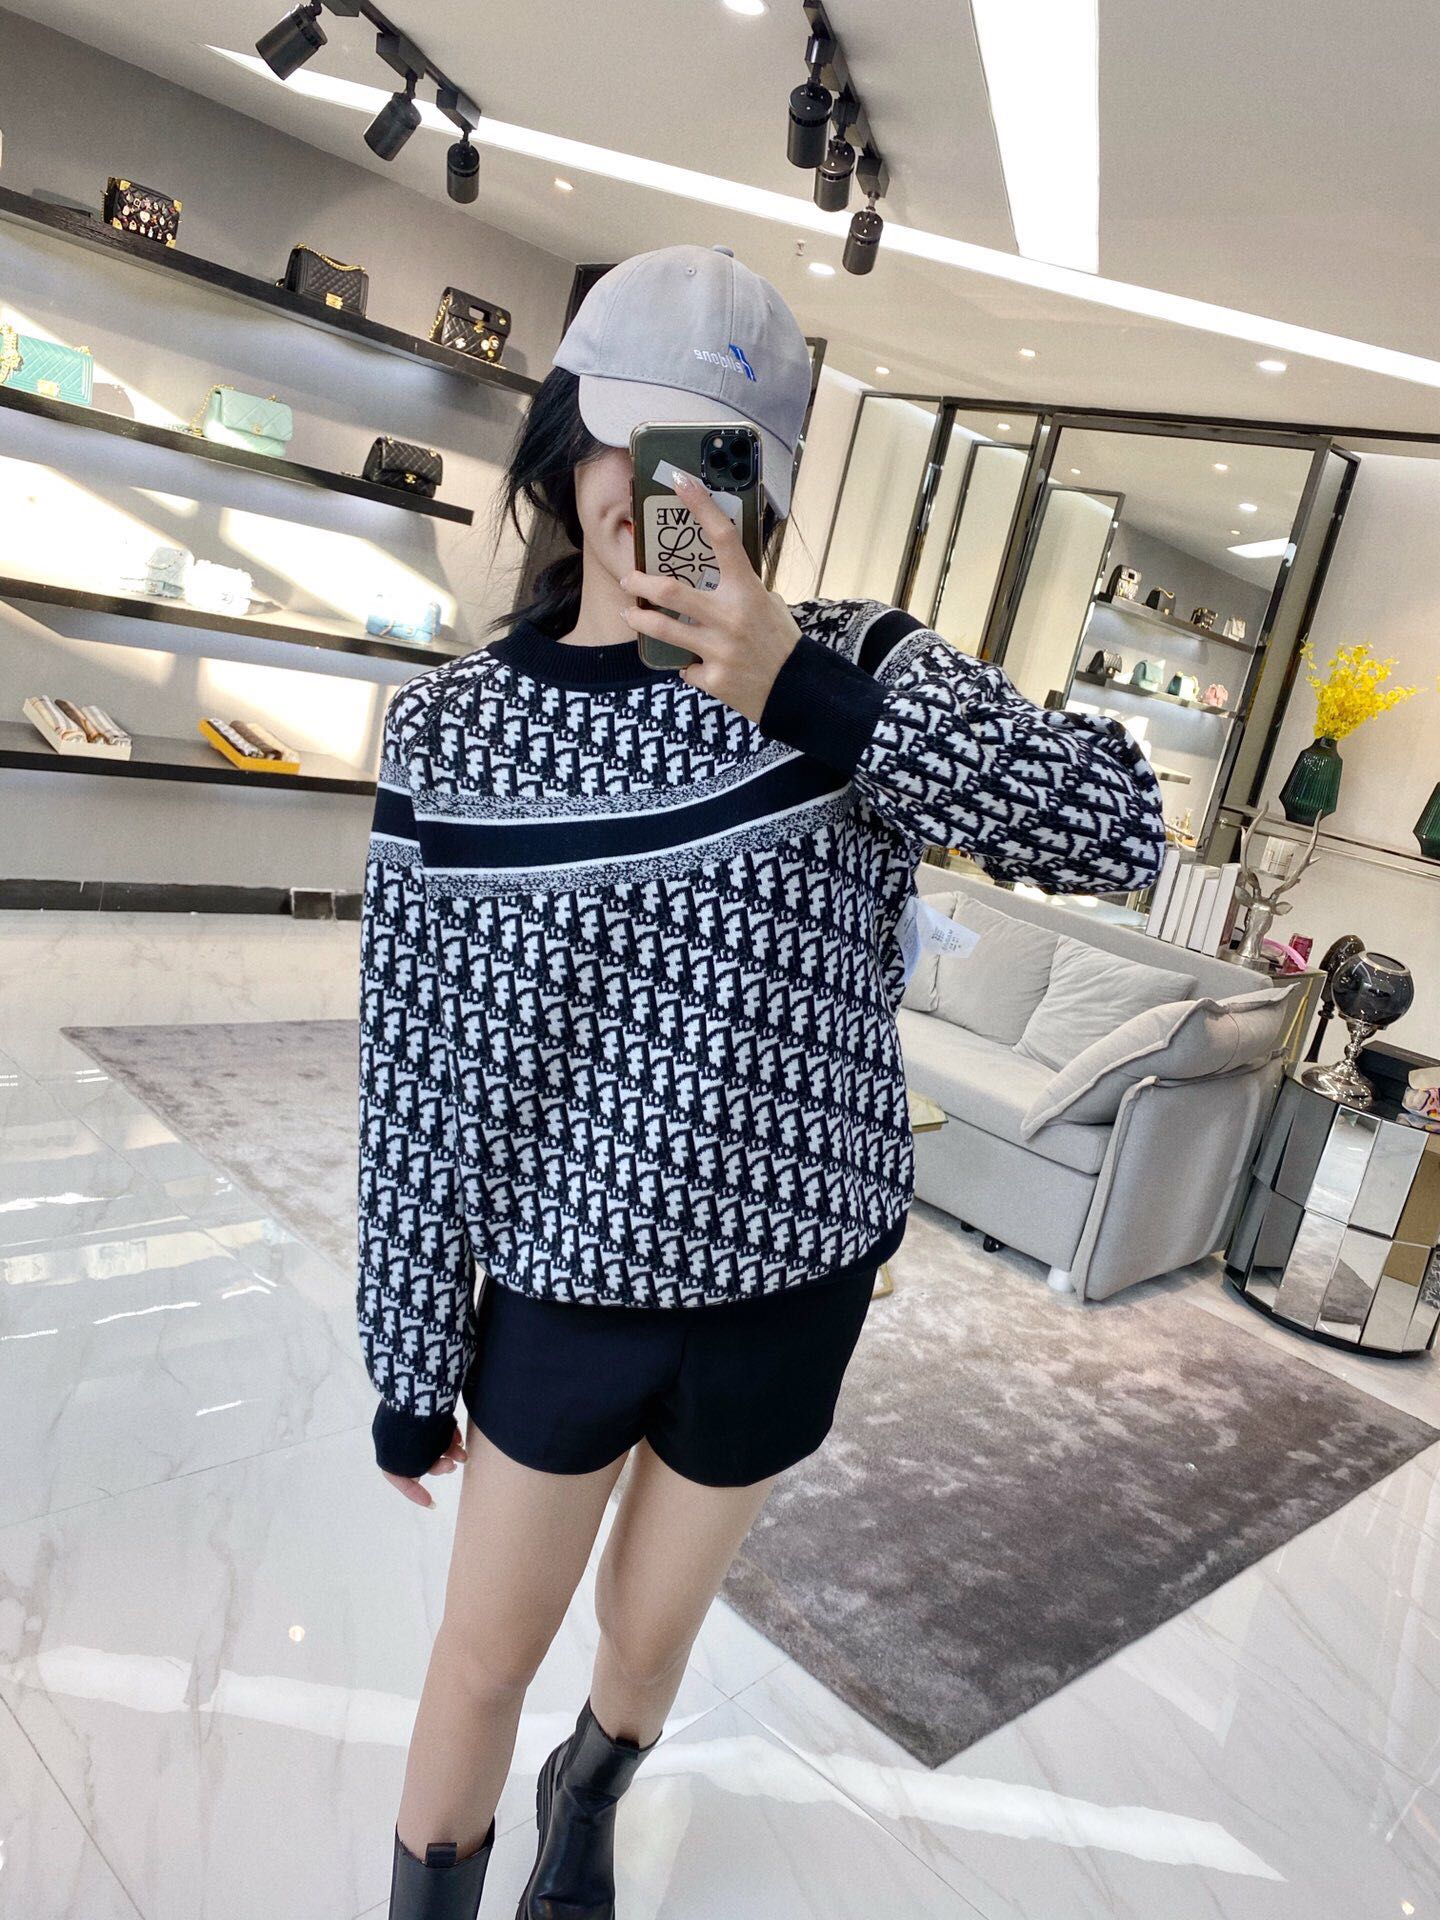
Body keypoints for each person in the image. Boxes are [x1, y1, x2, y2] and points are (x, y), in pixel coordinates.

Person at [358, 241, 1167, 1919]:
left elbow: (1115, 828)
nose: (652, 494)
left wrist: (812, 694)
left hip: (790, 1282)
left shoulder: (859, 669)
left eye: (707, 461)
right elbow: (419, 1072)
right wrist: (411, 1352)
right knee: (483, 1654)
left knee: (648, 1642)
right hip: (569, 1283)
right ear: (564, 436)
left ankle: (588, 1809)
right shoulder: (455, 734)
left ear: (766, 488)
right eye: (627, 438)